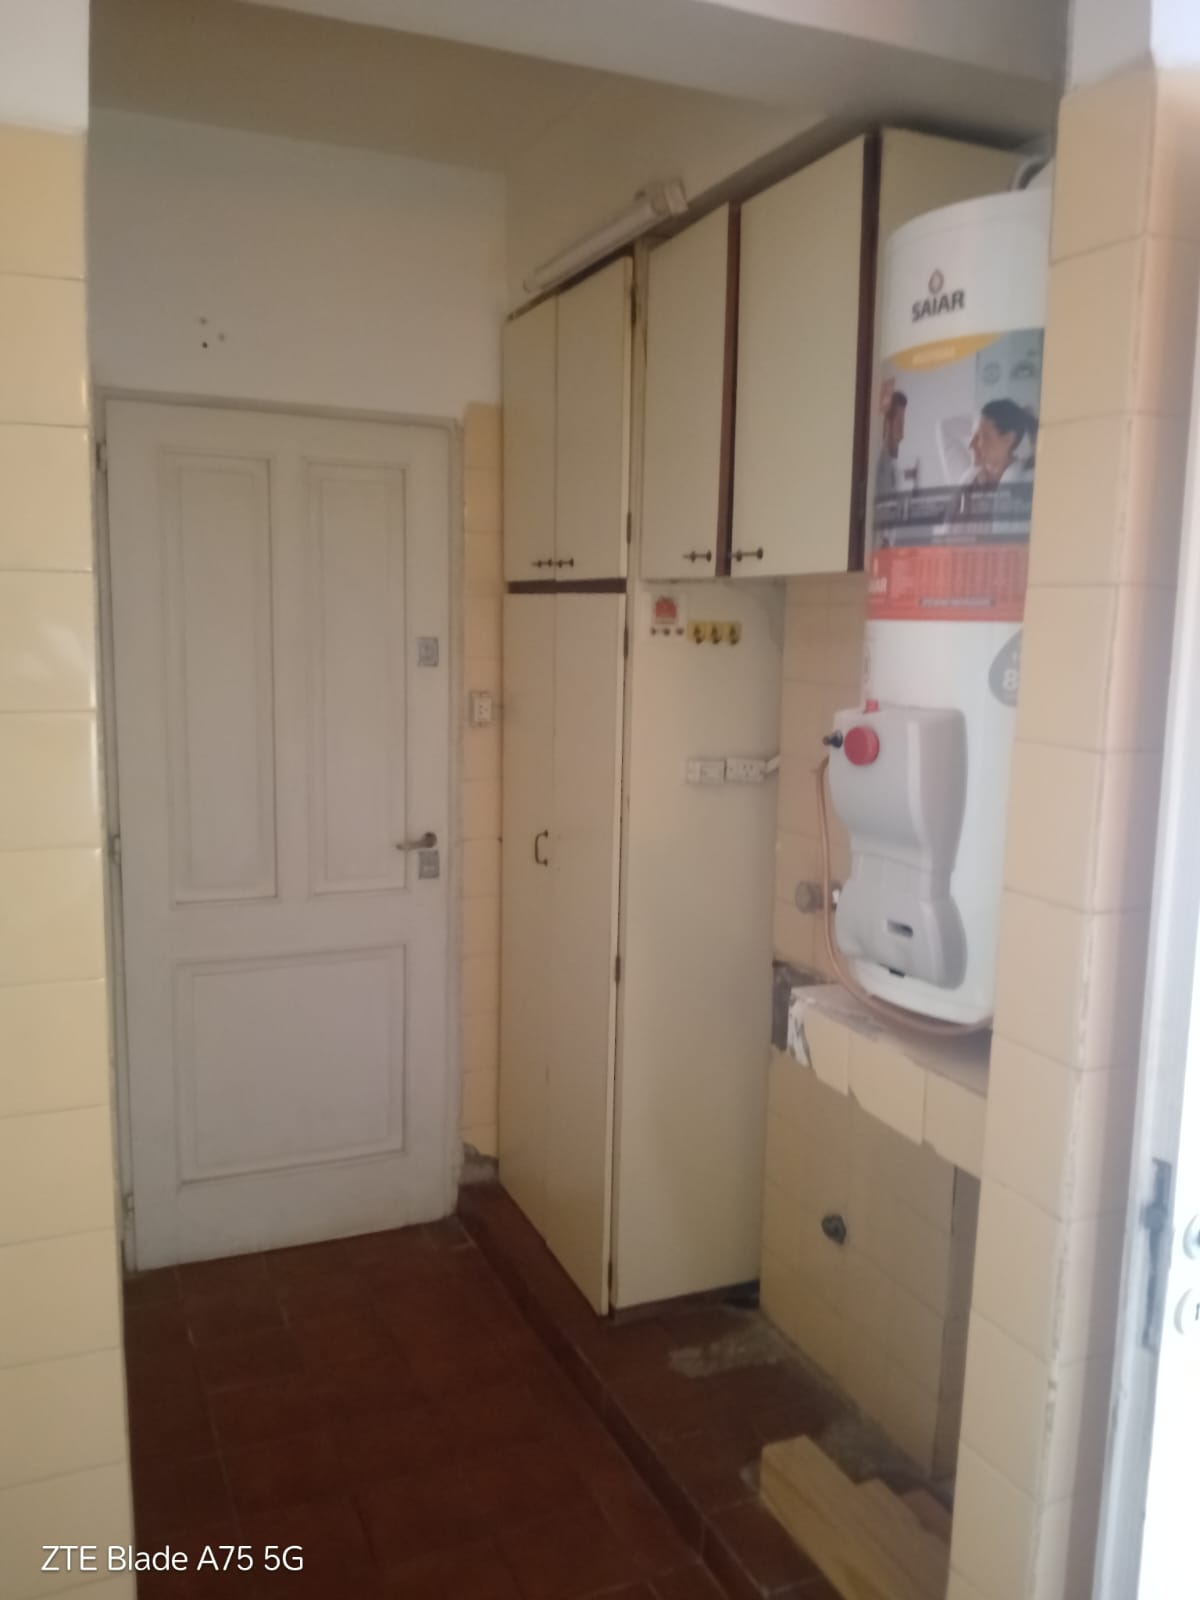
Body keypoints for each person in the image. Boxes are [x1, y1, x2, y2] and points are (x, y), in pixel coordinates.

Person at [964, 398, 1035, 487]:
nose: (970, 445)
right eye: (972, 436)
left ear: (1008, 439)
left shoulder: (1027, 480)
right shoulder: (971, 477)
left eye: (979, 437)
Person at [875, 388, 908, 498]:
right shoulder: (883, 462)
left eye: (902, 424)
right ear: (887, 424)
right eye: (899, 423)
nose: (902, 435)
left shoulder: (891, 462)